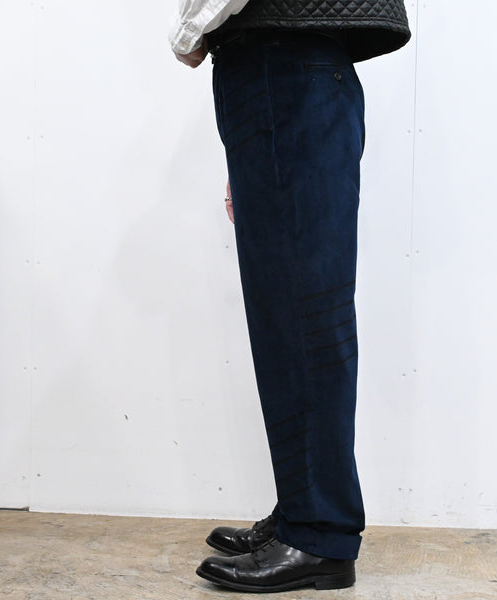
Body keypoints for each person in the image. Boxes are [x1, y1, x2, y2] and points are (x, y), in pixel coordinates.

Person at [169, 0, 410, 592]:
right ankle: (303, 510)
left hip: (284, 67)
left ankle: (319, 533)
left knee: (304, 312)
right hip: (287, 70)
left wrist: (190, 29)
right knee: (289, 310)